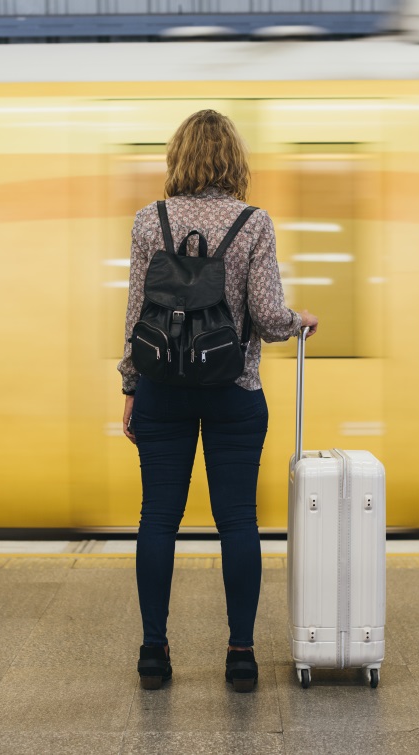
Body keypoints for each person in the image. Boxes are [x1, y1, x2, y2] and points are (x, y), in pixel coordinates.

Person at [118, 109, 319, 692]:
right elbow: (268, 316)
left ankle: (154, 654)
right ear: (235, 159)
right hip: (234, 392)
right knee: (238, 522)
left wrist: (131, 385)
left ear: (177, 157)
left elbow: (135, 316)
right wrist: (299, 320)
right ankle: (240, 655)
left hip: (161, 389)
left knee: (157, 519)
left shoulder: (147, 222)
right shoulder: (253, 223)